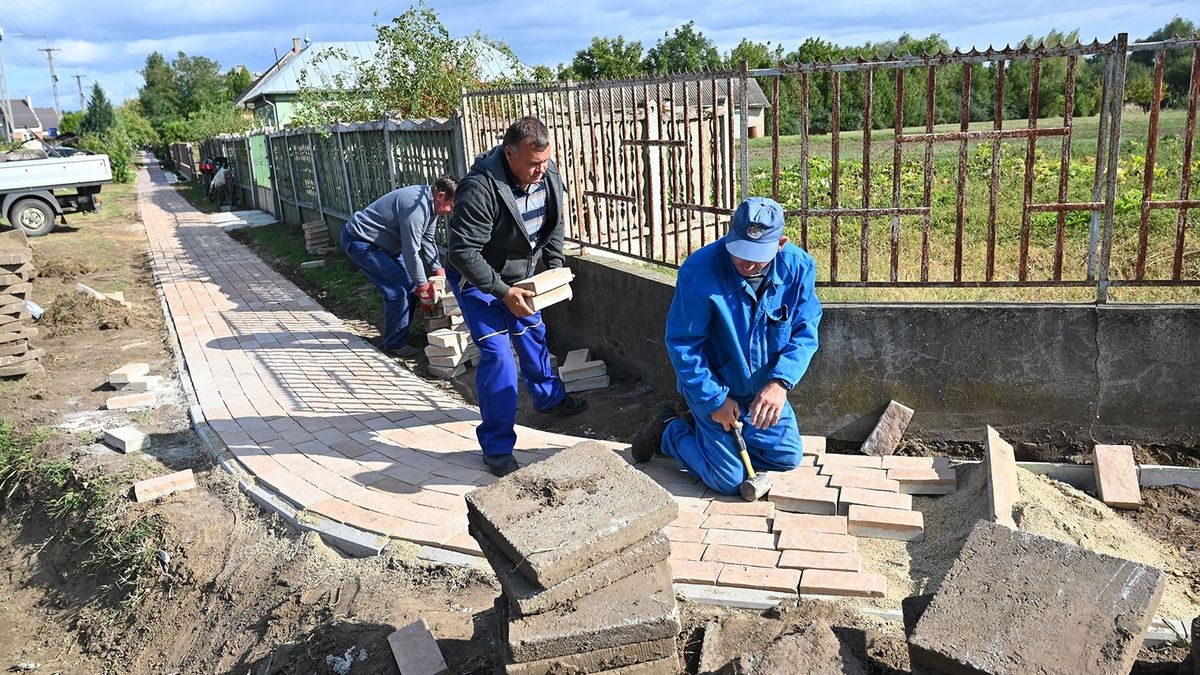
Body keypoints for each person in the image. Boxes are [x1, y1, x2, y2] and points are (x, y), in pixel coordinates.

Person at [631, 197, 822, 495]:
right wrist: (715, 401)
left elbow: (804, 331)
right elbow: (684, 345)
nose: (747, 264)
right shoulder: (700, 271)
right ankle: (670, 431)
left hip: (762, 389)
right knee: (729, 480)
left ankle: (711, 439)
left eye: (758, 256)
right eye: (740, 252)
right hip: (713, 387)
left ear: (781, 243)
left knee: (786, 457)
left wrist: (780, 383)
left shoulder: (798, 268)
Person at [447, 116, 588, 477]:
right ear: (509, 153)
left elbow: (553, 224)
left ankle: (549, 398)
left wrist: (553, 269)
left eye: (545, 162)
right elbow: (462, 253)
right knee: (499, 358)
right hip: (479, 282)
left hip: (523, 280)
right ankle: (496, 446)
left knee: (532, 335)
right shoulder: (480, 187)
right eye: (532, 163)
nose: (541, 170)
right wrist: (502, 291)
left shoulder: (546, 171)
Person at [340, 176, 457, 357]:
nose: (450, 211)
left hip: (386, 245)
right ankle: (394, 343)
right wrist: (423, 285)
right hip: (361, 241)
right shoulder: (415, 208)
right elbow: (411, 252)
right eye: (451, 206)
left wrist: (438, 271)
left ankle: (401, 334)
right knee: (398, 289)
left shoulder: (431, 205)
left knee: (410, 285)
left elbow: (427, 240)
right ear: (441, 195)